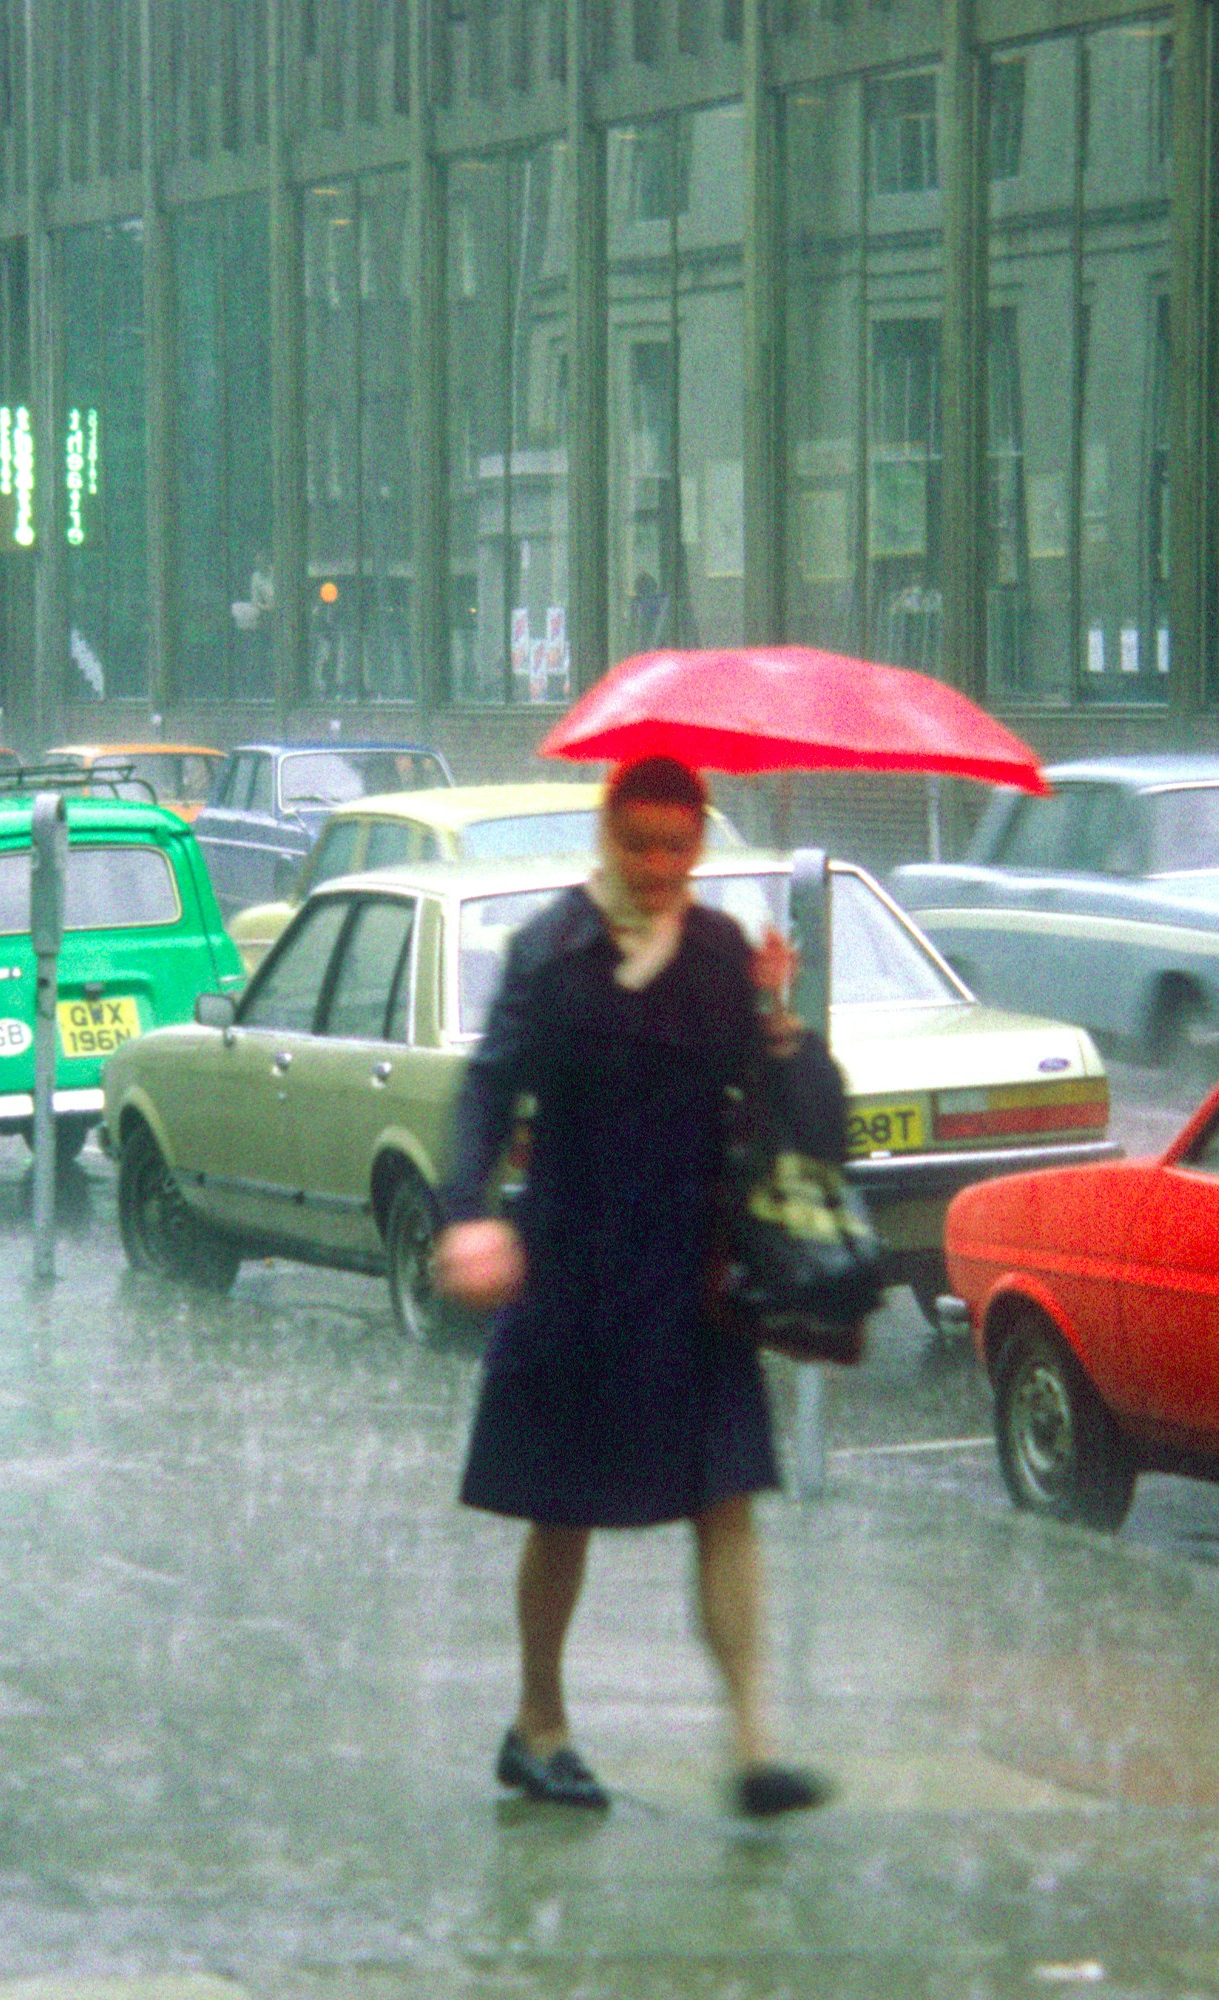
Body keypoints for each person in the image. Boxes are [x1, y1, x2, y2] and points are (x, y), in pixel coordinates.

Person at [433, 753, 840, 1819]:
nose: (659, 865)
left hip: (692, 1278)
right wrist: (465, 1214)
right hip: (573, 1273)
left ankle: (754, 1744)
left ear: (701, 841)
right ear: (606, 834)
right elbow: (486, 1088)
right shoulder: (549, 951)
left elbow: (811, 1121)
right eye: (639, 843)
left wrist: (785, 1031)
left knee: (726, 1500)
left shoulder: (721, 956)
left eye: (678, 844)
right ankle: (539, 1723)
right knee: (558, 1512)